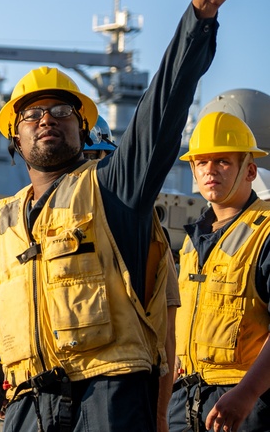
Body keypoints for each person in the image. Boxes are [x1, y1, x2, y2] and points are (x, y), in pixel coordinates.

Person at [0, 0, 238, 432]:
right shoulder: (8, 222)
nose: (47, 118)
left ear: (83, 124)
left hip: (109, 399)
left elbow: (162, 111)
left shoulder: (113, 189)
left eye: (62, 110)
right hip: (28, 406)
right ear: (15, 139)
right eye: (32, 115)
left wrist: (199, 18)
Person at [167, 112, 270, 432]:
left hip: (247, 405)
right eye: (202, 162)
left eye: (223, 161)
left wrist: (246, 394)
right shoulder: (191, 242)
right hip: (185, 401)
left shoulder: (265, 232)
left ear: (250, 170)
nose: (210, 170)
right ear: (194, 172)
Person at [83, 117, 182, 432]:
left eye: (94, 160)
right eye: (82, 160)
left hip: (117, 400)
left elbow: (165, 334)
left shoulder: (145, 232)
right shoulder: (33, 224)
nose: (86, 173)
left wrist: (161, 415)